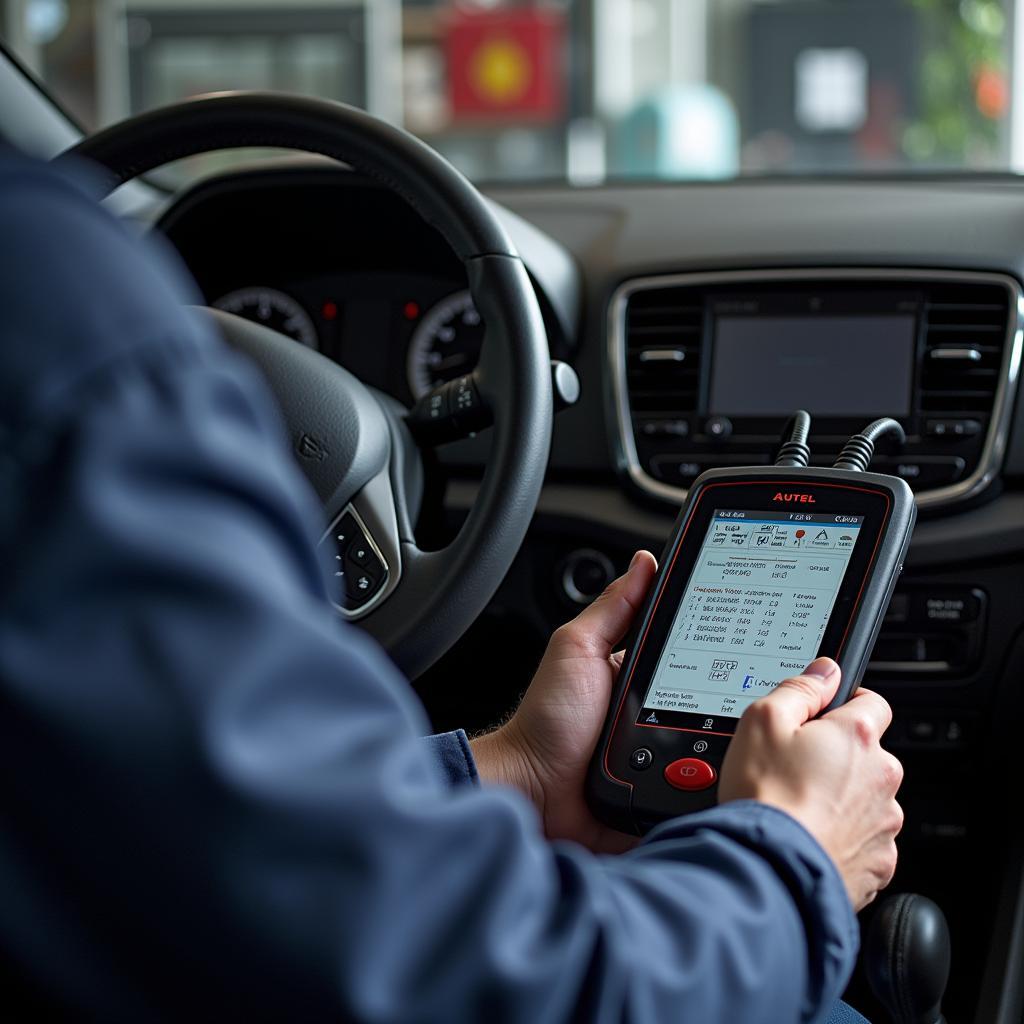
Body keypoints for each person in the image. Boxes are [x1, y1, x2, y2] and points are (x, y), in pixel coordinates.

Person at [0, 146, 902, 1023]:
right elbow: (455, 968)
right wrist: (795, 861)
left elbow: (175, 829)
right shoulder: (50, 287)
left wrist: (520, 772)